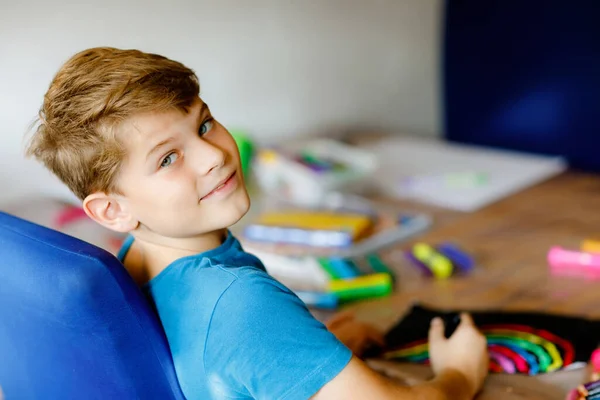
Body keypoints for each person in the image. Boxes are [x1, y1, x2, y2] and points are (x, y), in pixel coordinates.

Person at [27, 47, 488, 399]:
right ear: (113, 210)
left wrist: (312, 353)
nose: (214, 155)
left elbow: (232, 354)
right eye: (168, 158)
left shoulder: (139, 256)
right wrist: (459, 373)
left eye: (204, 124)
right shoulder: (241, 304)